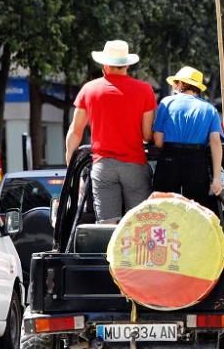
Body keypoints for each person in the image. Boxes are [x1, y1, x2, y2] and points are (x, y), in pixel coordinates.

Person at [65, 40, 157, 224]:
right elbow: (147, 135)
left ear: (104, 64)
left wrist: (71, 168)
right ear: (127, 64)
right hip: (135, 165)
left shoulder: (89, 90)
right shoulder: (145, 90)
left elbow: (75, 132)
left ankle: (110, 253)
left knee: (107, 226)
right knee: (140, 225)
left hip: (103, 167)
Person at [152, 66, 223, 214]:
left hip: (169, 160)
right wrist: (216, 178)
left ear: (180, 84)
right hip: (197, 162)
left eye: (175, 83)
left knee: (163, 209)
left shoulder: (166, 103)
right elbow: (216, 142)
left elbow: (158, 140)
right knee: (196, 211)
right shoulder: (210, 110)